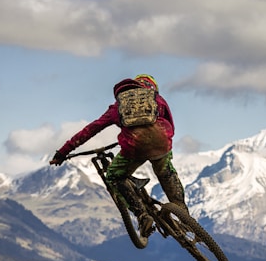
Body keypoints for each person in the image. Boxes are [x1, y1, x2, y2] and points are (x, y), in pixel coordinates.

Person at [50, 74, 187, 237]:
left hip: (134, 147)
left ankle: (143, 216)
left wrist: (63, 152)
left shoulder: (118, 106)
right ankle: (184, 215)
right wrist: (165, 139)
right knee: (166, 173)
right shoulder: (157, 99)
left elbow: (90, 130)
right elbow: (170, 123)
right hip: (162, 141)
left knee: (114, 176)